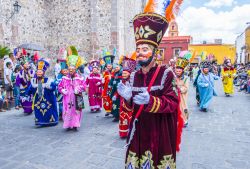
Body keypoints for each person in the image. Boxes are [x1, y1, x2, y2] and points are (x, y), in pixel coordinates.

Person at [118, 1, 184, 167]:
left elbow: (173, 102)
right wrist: (127, 99)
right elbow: (131, 107)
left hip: (159, 131)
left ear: (155, 53)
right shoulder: (134, 76)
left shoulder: (166, 73)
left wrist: (151, 101)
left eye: (144, 50)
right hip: (139, 130)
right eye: (138, 50)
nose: (139, 54)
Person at [58, 47, 86, 131]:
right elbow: (60, 86)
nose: (71, 71)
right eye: (69, 70)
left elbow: (84, 86)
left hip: (77, 97)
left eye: (72, 69)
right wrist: (63, 90)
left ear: (75, 70)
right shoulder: (64, 78)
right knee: (67, 111)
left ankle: (75, 124)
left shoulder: (80, 78)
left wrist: (78, 88)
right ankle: (68, 125)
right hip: (67, 97)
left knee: (76, 111)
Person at [28, 59, 58, 126]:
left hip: (48, 98)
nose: (39, 73)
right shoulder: (34, 80)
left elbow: (53, 87)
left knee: (48, 109)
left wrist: (50, 86)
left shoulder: (48, 80)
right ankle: (40, 121)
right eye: (37, 72)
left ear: (43, 72)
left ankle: (50, 121)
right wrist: (27, 94)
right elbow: (30, 88)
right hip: (38, 100)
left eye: (40, 72)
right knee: (39, 110)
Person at [118, 53, 136, 138]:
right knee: (123, 117)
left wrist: (129, 96)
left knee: (130, 117)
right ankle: (123, 133)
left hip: (131, 103)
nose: (124, 75)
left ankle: (131, 132)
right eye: (123, 74)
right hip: (122, 103)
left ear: (129, 73)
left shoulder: (133, 81)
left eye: (126, 74)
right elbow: (119, 91)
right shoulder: (121, 81)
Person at [175, 51, 191, 127]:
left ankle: (184, 121)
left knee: (183, 108)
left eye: (179, 71)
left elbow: (186, 88)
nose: (178, 72)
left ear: (182, 71)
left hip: (182, 96)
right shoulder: (173, 77)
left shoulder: (185, 78)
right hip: (174, 95)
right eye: (177, 71)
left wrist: (180, 89)